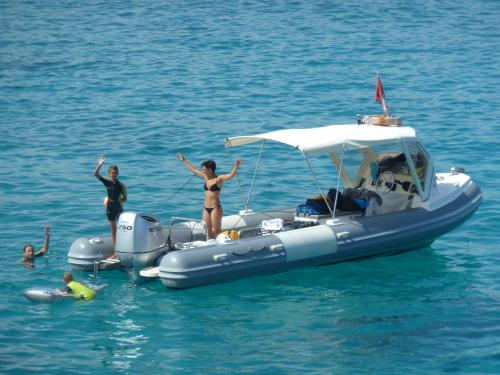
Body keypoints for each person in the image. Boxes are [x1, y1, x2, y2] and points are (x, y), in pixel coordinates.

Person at [177, 152, 241, 239]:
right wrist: (184, 160)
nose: (203, 171)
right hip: (206, 208)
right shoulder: (205, 178)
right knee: (208, 230)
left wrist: (236, 165)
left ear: (210, 170)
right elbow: (194, 170)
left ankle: (221, 245)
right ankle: (211, 245)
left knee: (217, 230)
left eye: (204, 169)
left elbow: (231, 175)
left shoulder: (219, 179)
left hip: (215, 208)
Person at [94, 155, 127, 258]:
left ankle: (124, 248)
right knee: (113, 230)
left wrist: (118, 200)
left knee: (121, 229)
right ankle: (116, 252)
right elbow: (95, 174)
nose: (113, 174)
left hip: (118, 208)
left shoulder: (121, 185)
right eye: (112, 173)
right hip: (109, 208)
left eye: (115, 173)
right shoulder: (107, 182)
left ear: (117, 173)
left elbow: (125, 198)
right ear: (109, 173)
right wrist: (100, 164)